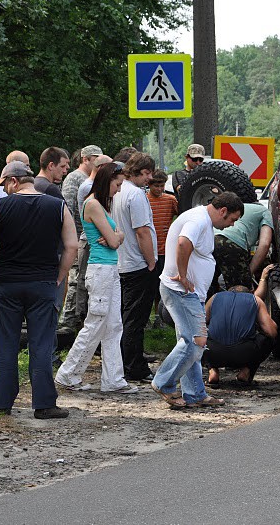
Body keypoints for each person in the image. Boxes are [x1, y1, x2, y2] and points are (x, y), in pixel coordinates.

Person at [0, 161, 78, 419]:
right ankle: (43, 404)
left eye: (4, 185)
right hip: (43, 284)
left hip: (7, 283)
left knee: (5, 345)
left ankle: (3, 403)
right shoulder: (57, 206)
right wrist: (60, 275)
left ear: (12, 181)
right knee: (41, 344)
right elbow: (72, 246)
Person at [151, 192, 244, 408]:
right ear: (223, 211)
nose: (231, 225)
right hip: (181, 291)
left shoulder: (202, 219)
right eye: (232, 219)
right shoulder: (199, 220)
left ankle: (194, 393)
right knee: (197, 340)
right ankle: (163, 382)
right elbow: (184, 243)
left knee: (191, 343)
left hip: (189, 293)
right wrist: (183, 276)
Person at [55, 163, 138, 393]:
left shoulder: (101, 205)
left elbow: (116, 236)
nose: (119, 189)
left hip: (108, 268)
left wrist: (116, 235)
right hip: (100, 270)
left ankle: (113, 380)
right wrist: (116, 236)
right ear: (107, 180)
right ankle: (68, 374)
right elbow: (113, 241)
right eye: (117, 184)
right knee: (95, 324)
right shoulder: (93, 204)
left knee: (113, 325)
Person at [111, 152, 157, 382]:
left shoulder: (117, 191)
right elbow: (142, 231)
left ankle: (123, 361)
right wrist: (151, 261)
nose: (149, 178)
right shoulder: (136, 195)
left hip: (120, 261)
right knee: (135, 319)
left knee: (123, 316)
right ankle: (134, 367)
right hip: (136, 263)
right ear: (137, 171)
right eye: (147, 173)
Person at [204, 265, 278, 386]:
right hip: (244, 353)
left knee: (198, 337)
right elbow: (271, 332)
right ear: (249, 292)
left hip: (213, 352)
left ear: (229, 291)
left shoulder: (215, 297)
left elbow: (200, 323)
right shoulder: (255, 300)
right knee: (269, 339)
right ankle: (246, 371)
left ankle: (212, 371)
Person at [58, 145, 104, 338]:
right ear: (86, 159)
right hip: (76, 237)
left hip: (85, 237)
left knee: (82, 280)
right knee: (76, 280)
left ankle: (77, 319)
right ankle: (67, 322)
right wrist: (73, 238)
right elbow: (66, 208)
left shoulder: (85, 179)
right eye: (96, 158)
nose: (99, 162)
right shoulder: (75, 179)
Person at [211, 201, 274, 295]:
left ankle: (210, 308)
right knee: (241, 293)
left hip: (210, 240)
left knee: (209, 285)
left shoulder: (238, 208)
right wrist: (249, 272)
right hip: (231, 243)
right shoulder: (265, 211)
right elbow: (265, 244)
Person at [146, 169, 178, 328]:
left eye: (161, 185)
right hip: (148, 250)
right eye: (155, 185)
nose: (159, 189)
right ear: (149, 184)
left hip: (165, 250)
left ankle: (159, 316)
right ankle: (146, 317)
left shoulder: (170, 200)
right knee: (148, 286)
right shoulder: (144, 199)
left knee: (161, 285)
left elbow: (180, 215)